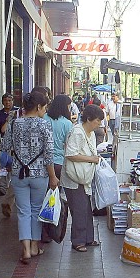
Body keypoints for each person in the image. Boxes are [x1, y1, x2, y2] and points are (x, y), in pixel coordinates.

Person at [1, 91, 58, 264]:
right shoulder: (44, 125)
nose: (45, 111)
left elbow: (4, 146)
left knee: (23, 212)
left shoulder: (14, 123)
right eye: (45, 107)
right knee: (35, 211)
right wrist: (53, 177)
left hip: (19, 174)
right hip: (39, 175)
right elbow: (49, 155)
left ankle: (25, 249)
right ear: (39, 107)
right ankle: (34, 247)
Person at [60, 104, 103, 252]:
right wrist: (91, 159)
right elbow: (70, 154)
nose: (99, 124)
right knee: (78, 209)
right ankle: (78, 241)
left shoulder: (90, 133)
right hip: (73, 177)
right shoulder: (78, 132)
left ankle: (88, 238)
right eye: (97, 121)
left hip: (84, 177)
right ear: (89, 119)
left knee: (86, 208)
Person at [0, 93, 19, 195]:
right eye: (5, 101)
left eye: (9, 100)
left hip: (17, 142)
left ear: (13, 101)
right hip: (5, 142)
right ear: (2, 102)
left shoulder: (18, 112)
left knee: (14, 164)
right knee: (3, 163)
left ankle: (14, 185)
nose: (7, 102)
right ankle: (2, 186)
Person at [44, 94, 74, 180]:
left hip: (42, 161)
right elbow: (68, 144)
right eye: (68, 107)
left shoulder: (43, 117)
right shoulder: (67, 123)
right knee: (55, 192)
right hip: (59, 162)